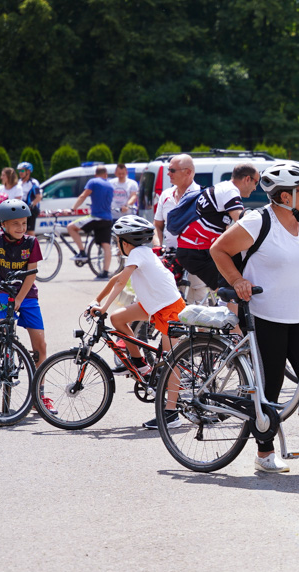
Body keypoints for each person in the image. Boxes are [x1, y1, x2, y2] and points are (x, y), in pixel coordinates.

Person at [210, 161, 299, 474]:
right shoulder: (257, 222)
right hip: (266, 317)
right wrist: (237, 280)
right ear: (284, 196)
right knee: (270, 385)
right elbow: (218, 250)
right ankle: (264, 453)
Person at [86, 215, 186, 429]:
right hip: (154, 306)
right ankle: (139, 364)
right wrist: (97, 299)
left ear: (125, 241)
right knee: (117, 318)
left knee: (171, 362)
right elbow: (116, 278)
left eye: (117, 240)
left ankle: (171, 413)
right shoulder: (139, 253)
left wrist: (102, 308)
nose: (116, 243)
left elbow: (122, 282)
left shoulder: (139, 253)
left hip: (168, 309)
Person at [0, 199, 53, 412]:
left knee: (40, 345)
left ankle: (40, 396)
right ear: (4, 225)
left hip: (27, 296)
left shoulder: (31, 243)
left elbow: (32, 274)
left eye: (24, 223)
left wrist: (19, 300)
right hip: (3, 293)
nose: (21, 228)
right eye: (15, 224)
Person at [176, 162, 260, 291]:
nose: (255, 188)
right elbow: (243, 222)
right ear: (247, 179)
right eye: (256, 183)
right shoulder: (230, 191)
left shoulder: (223, 187)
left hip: (193, 249)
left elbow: (227, 229)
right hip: (197, 251)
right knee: (234, 290)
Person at [152, 154, 207, 303]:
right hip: (170, 256)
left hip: (194, 257)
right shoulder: (165, 195)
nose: (168, 173)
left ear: (188, 172)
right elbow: (157, 225)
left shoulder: (202, 197)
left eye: (172, 170)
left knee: (198, 310)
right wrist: (158, 246)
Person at [67, 165, 114, 278]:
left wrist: (73, 208)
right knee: (106, 245)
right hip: (108, 219)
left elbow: (84, 195)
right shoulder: (110, 185)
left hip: (96, 217)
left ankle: (82, 251)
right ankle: (105, 272)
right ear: (106, 175)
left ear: (95, 174)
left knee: (71, 227)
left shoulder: (93, 181)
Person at [17, 162, 42, 235]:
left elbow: (38, 197)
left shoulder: (33, 182)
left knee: (30, 232)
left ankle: (33, 246)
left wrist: (30, 205)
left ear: (28, 171)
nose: (20, 173)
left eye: (22, 171)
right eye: (19, 171)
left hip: (31, 209)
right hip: (20, 210)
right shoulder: (18, 183)